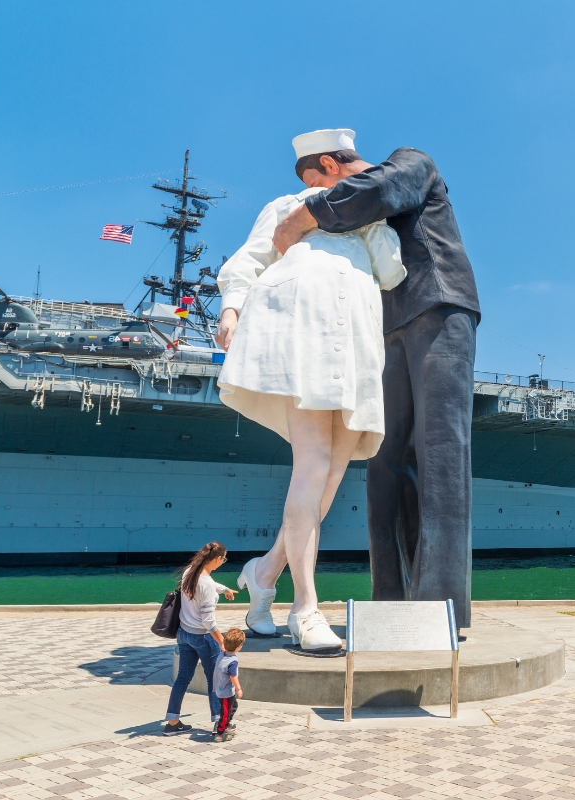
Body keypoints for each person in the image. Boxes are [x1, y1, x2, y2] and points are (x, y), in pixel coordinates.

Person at [272, 131, 480, 629]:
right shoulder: (353, 215)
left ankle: (438, 608)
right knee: (384, 460)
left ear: (330, 162)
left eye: (317, 183)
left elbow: (375, 190)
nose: (314, 196)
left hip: (439, 306)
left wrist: (299, 219)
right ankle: (389, 598)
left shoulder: (411, 163)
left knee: (441, 455)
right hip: (385, 326)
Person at [215, 129, 407, 651]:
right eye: (357, 165)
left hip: (356, 343)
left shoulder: (366, 216)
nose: (368, 173)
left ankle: (262, 575)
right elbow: (248, 260)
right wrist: (231, 306)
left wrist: (380, 220)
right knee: (313, 466)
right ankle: (305, 607)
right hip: (301, 333)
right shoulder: (287, 205)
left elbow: (390, 274)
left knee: (328, 480)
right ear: (329, 163)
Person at [165, 542, 234, 735]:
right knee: (215, 679)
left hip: (183, 634)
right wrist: (221, 641)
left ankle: (172, 723)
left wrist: (224, 589)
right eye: (224, 559)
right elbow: (208, 621)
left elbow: (208, 585)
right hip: (203, 637)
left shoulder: (189, 571)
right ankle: (220, 722)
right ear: (218, 559)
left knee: (182, 678)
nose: (223, 562)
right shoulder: (206, 584)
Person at [212, 627, 245, 742]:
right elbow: (233, 676)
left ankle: (226, 725)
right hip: (226, 692)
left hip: (219, 688)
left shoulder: (222, 654)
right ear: (238, 646)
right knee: (225, 713)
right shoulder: (233, 661)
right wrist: (238, 688)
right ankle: (220, 732)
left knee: (233, 706)